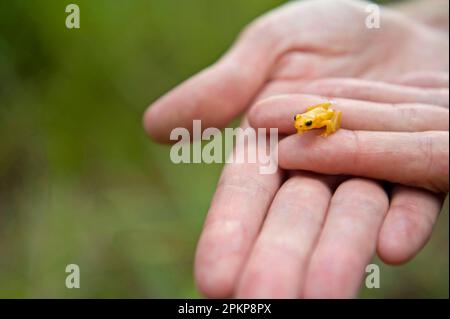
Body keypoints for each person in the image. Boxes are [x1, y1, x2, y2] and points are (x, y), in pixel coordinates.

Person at [143, 0, 449, 298]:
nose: (301, 129)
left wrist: (328, 129)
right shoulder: (304, 122)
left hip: (327, 117)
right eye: (300, 125)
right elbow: (306, 121)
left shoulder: (321, 119)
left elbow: (329, 117)